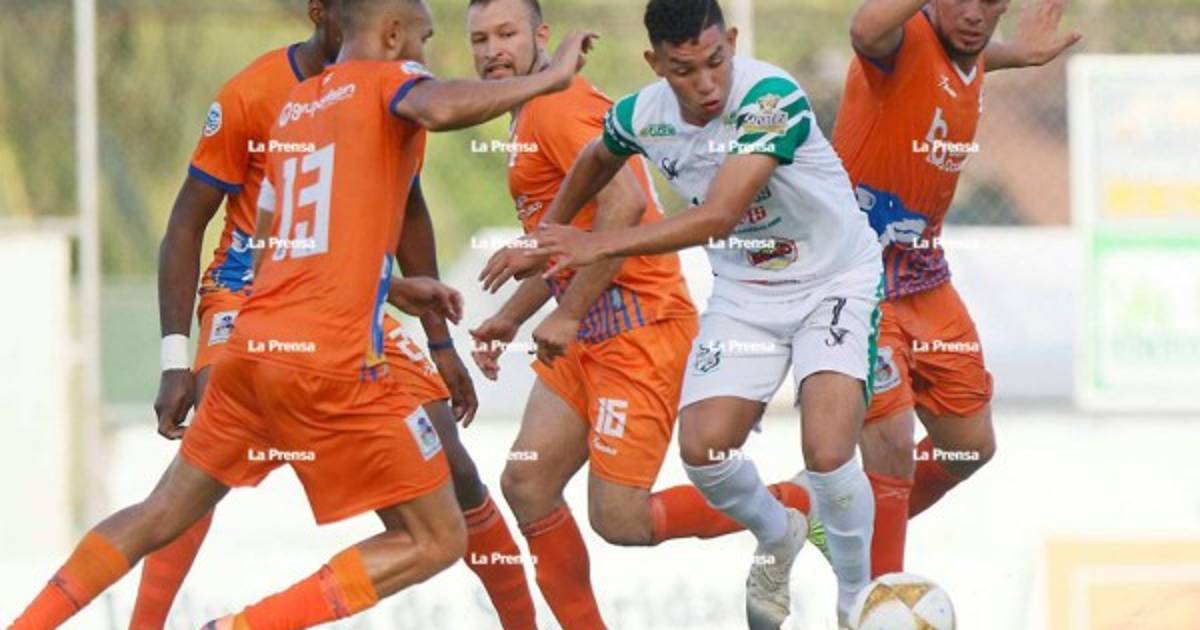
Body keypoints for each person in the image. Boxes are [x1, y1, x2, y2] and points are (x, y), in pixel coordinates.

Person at [9, 0, 594, 627]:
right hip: (332, 362)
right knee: (437, 536)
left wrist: (391, 286)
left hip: (254, 345)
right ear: (392, 34)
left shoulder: (297, 106)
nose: (427, 56)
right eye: (423, 40)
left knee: (160, 511)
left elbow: (279, 243)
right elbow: (441, 107)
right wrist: (551, 78)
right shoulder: (390, 82)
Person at [137, 1, 535, 627]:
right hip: (248, 295)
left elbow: (410, 211)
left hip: (354, 299)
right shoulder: (253, 92)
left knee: (451, 461)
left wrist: (440, 345)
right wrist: (173, 358)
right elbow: (187, 223)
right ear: (324, 13)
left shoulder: (397, 88)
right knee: (209, 454)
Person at [489, 0, 884, 625]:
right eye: (684, 70)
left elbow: (719, 216)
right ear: (656, 64)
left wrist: (593, 244)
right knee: (704, 451)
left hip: (833, 279)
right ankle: (778, 532)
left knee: (828, 449)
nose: (705, 84)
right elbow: (597, 158)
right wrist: (544, 238)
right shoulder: (640, 114)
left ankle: (859, 601)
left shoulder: (769, 98)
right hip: (747, 291)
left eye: (715, 62)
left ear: (732, 42)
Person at [835, 0, 1080, 577]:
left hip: (923, 275)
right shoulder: (900, 40)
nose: (973, 13)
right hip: (855, 278)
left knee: (969, 445)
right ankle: (877, 595)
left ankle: (820, 517)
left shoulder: (964, 54)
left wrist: (1017, 54)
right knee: (891, 442)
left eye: (987, 2)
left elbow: (963, 58)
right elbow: (865, 29)